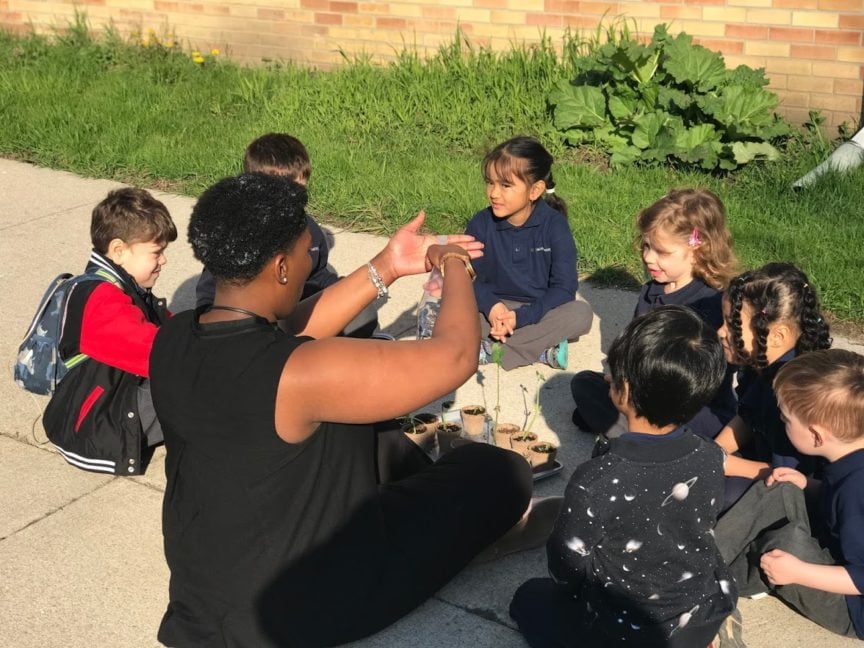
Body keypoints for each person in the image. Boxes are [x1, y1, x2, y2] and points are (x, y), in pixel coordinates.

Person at [149, 173, 537, 647]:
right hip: (305, 606)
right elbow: (453, 357)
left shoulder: (174, 336)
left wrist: (387, 266)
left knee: (384, 442)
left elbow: (288, 326)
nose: (310, 256)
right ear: (281, 267)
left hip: (205, 595)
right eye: (306, 251)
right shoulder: (302, 373)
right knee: (497, 470)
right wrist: (454, 264)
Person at [511, 306, 737, 647]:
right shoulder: (710, 455)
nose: (605, 377)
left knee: (527, 599)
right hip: (701, 612)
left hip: (629, 631)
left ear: (625, 391)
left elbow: (565, 567)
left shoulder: (597, 479)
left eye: (611, 372)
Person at [714, 349, 864, 640]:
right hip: (835, 549)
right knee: (781, 485)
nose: (781, 423)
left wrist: (798, 572)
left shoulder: (857, 489)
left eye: (786, 419)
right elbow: (835, 499)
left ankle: (714, 590)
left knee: (785, 542)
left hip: (850, 607)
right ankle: (703, 559)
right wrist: (808, 485)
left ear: (817, 435)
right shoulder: (849, 458)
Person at [571, 188, 738, 439]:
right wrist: (622, 379)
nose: (648, 257)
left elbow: (704, 381)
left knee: (599, 409)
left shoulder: (711, 304)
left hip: (690, 406)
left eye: (662, 252)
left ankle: (642, 440)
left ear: (698, 249)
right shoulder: (651, 290)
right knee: (584, 383)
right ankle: (638, 433)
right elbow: (633, 348)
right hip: (644, 394)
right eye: (647, 246)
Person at [42, 187, 176, 475]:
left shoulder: (119, 283)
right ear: (118, 250)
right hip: (96, 428)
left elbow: (165, 325)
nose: (163, 260)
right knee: (194, 378)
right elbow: (155, 353)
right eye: (157, 252)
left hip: (107, 401)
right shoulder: (102, 299)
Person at [195, 132, 379, 337]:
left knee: (361, 304)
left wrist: (351, 289)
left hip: (300, 309)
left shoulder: (310, 232)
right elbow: (212, 293)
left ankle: (372, 349)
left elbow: (319, 275)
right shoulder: (236, 235)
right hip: (258, 326)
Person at [464, 135, 592, 371]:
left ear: (535, 191)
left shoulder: (554, 226)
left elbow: (564, 288)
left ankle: (492, 349)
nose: (493, 193)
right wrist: (492, 306)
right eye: (490, 182)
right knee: (446, 307)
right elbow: (470, 276)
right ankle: (542, 350)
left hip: (539, 310)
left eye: (505, 185)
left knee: (581, 314)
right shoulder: (480, 224)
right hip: (492, 309)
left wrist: (522, 317)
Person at [715, 262, 832, 509]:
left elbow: (787, 476)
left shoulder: (792, 396)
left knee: (718, 495)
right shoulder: (759, 364)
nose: (720, 332)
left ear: (777, 336)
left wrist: (720, 462)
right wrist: (714, 449)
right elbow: (748, 417)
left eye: (732, 325)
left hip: (796, 493)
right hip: (764, 463)